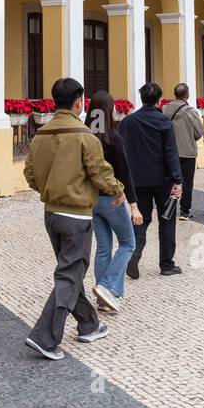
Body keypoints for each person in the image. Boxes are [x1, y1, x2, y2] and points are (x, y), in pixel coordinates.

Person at [23, 77, 118, 360]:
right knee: (69, 273)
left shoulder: (42, 134)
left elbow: (29, 174)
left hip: (52, 214)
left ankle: (89, 324)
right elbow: (99, 172)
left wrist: (50, 190)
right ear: (79, 101)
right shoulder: (84, 134)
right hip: (76, 216)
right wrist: (118, 190)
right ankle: (44, 337)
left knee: (70, 270)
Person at [119, 83, 184, 279]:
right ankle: (166, 264)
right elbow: (171, 153)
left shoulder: (128, 122)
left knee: (140, 219)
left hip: (137, 179)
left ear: (141, 98)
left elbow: (122, 151)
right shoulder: (164, 122)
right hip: (162, 179)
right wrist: (177, 180)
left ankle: (134, 254)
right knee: (167, 220)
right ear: (159, 100)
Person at [84, 91, 141, 310]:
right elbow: (125, 173)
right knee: (128, 243)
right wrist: (134, 206)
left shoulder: (87, 136)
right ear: (109, 110)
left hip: (92, 199)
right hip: (112, 199)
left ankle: (103, 299)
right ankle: (108, 287)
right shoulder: (113, 138)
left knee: (104, 248)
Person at [160, 83, 204, 219]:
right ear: (187, 95)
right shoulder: (191, 111)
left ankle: (167, 207)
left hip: (168, 151)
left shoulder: (165, 109)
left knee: (168, 180)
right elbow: (199, 132)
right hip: (187, 151)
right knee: (187, 181)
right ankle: (185, 210)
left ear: (175, 94)